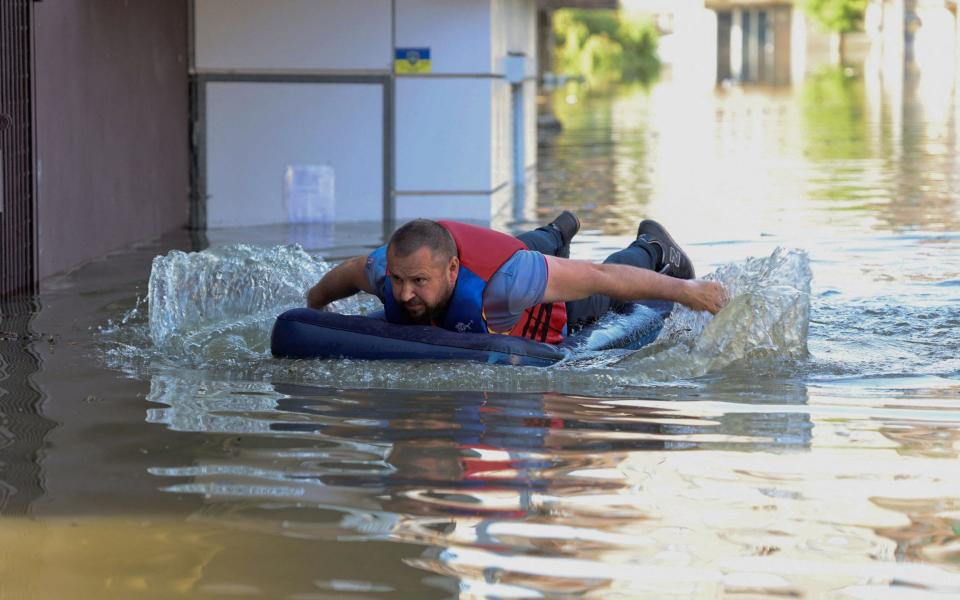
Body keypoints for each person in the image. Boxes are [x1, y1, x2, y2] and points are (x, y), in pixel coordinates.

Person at [306, 212, 727, 343]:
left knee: (598, 295)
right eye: (399, 281)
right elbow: (344, 274)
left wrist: (686, 289)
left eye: (418, 282)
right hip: (497, 255)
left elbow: (602, 276)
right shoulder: (386, 269)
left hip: (543, 300)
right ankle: (557, 232)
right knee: (519, 247)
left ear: (451, 270)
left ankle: (653, 245)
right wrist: (313, 307)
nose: (404, 293)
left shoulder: (507, 283)